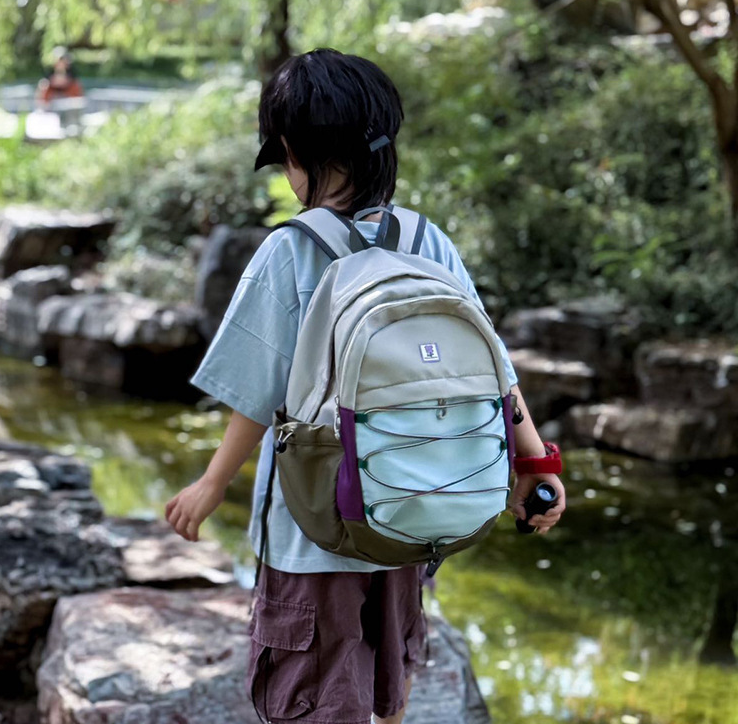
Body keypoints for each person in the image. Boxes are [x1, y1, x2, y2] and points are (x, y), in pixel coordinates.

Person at [165, 48, 566, 724]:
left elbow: (255, 395)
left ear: (294, 155)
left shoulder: (289, 252)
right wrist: (535, 465)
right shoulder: (428, 242)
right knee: (388, 683)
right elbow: (493, 371)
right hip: (412, 512)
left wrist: (211, 484)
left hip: (313, 533)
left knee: (310, 695)